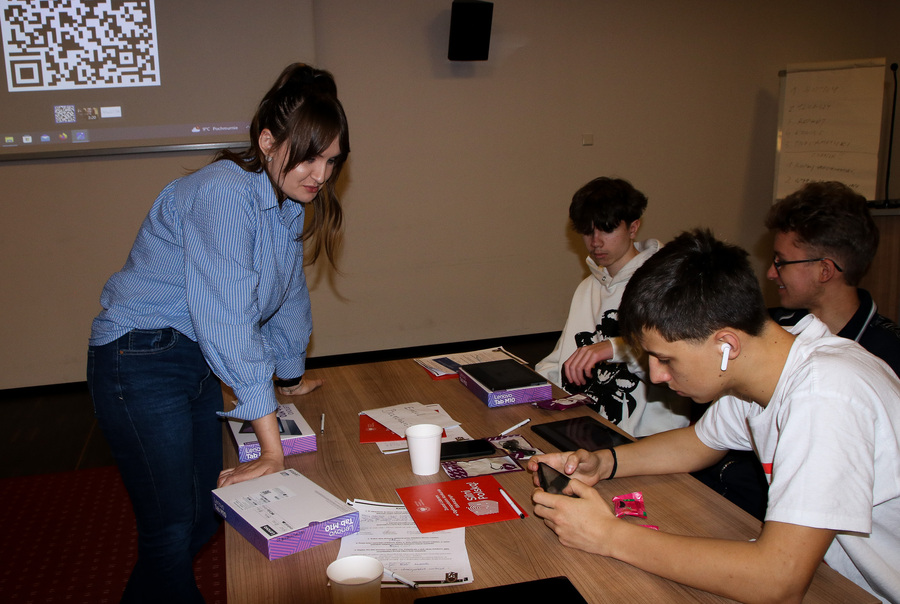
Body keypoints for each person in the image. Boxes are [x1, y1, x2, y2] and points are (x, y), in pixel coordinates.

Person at [86, 63, 350, 603]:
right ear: (267, 140)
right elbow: (228, 321)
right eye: (308, 155)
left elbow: (287, 299)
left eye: (331, 161)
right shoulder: (222, 193)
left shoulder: (285, 206)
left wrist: (291, 376)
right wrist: (271, 449)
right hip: (138, 355)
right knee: (170, 529)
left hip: (191, 359)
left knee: (204, 516)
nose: (319, 174)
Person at [529, 229, 900, 603]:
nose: (656, 375)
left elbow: (777, 581)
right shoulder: (768, 359)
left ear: (726, 345)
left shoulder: (826, 396)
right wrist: (603, 463)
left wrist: (608, 536)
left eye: (666, 359)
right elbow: (698, 443)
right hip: (834, 578)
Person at [535, 177, 690, 437]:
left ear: (633, 228)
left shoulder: (666, 284)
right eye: (587, 231)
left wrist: (613, 347)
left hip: (648, 437)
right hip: (587, 423)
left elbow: (679, 366)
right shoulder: (588, 287)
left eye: (607, 230)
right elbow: (558, 361)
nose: (596, 242)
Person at [766, 180, 900, 375]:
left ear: (825, 271)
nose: (770, 273)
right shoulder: (769, 329)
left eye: (781, 262)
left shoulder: (888, 354)